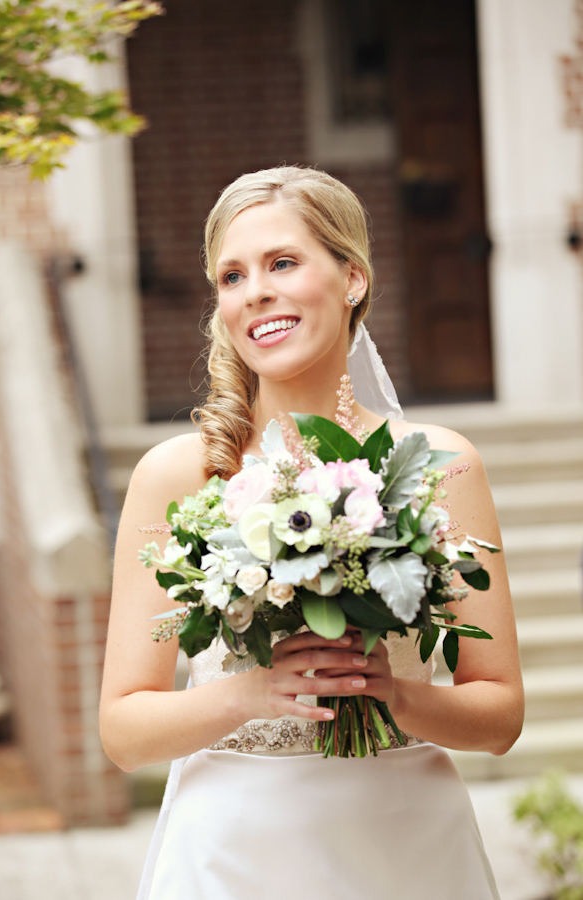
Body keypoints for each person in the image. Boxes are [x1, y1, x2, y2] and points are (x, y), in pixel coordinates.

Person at [99, 166, 524, 900]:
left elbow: (500, 716)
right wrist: (253, 692)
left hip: (406, 843)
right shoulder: (178, 476)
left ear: (352, 277)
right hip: (231, 849)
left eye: (283, 263)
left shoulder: (441, 466)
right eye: (232, 276)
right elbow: (124, 730)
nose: (254, 291)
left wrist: (390, 691)